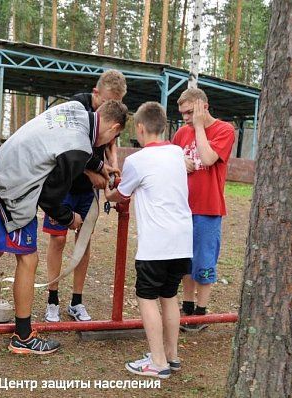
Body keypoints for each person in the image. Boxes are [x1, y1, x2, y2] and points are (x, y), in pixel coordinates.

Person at [0, 99, 128, 354]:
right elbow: (50, 198)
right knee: (28, 259)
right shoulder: (80, 147)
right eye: (114, 137)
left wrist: (97, 166)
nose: (108, 144)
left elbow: (62, 142)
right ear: (114, 127)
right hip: (15, 190)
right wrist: (69, 218)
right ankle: (23, 336)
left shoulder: (75, 109)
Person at [105, 102, 192, 378]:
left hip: (156, 245)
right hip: (182, 241)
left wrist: (107, 194)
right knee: (169, 295)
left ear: (140, 128)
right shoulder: (177, 152)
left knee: (146, 297)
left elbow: (122, 193)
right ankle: (171, 355)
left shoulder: (137, 160)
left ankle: (157, 362)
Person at [42, 69, 127, 322]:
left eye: (118, 103)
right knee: (57, 241)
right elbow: (68, 149)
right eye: (108, 101)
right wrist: (95, 173)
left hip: (88, 191)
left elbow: (112, 143)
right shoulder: (76, 107)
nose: (112, 107)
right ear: (95, 93)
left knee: (84, 241)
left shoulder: (113, 114)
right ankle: (52, 299)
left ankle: (76, 301)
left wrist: (113, 165)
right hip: (65, 185)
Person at [171, 88, 235, 332]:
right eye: (183, 114)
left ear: (202, 107)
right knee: (184, 259)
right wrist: (178, 160)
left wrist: (198, 128)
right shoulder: (181, 133)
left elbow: (208, 158)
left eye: (189, 113)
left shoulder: (224, 130)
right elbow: (169, 158)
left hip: (208, 209)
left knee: (204, 261)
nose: (185, 118)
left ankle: (201, 312)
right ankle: (187, 307)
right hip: (182, 208)